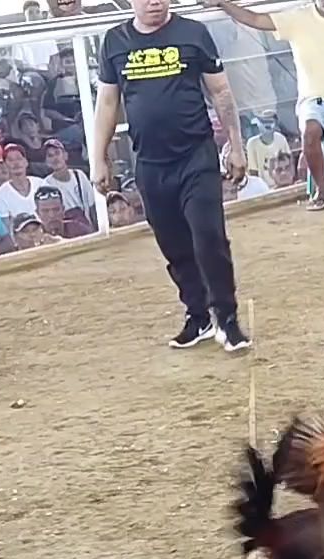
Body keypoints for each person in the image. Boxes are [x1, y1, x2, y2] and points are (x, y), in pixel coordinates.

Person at [92, 0, 252, 350]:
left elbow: (221, 92)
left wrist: (236, 146)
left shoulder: (193, 33)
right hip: (150, 162)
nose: (155, 1)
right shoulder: (114, 41)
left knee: (208, 236)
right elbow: (107, 102)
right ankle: (198, 315)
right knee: (174, 244)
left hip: (196, 156)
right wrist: (98, 158)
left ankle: (226, 316)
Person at [202, 0, 324, 209]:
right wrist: (224, 3)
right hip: (314, 100)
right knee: (310, 131)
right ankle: (322, 191)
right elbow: (255, 19)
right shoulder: (297, 18)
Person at [0, 144, 55, 221]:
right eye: (11, 160)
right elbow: (5, 225)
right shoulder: (0, 195)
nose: (16, 163)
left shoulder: (42, 184)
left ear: (26, 162)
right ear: (5, 165)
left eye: (19, 158)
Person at [40, 138, 97, 216]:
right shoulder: (46, 185)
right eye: (50, 156)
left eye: (57, 153)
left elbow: (92, 205)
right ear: (46, 162)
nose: (55, 158)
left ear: (65, 155)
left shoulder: (79, 175)